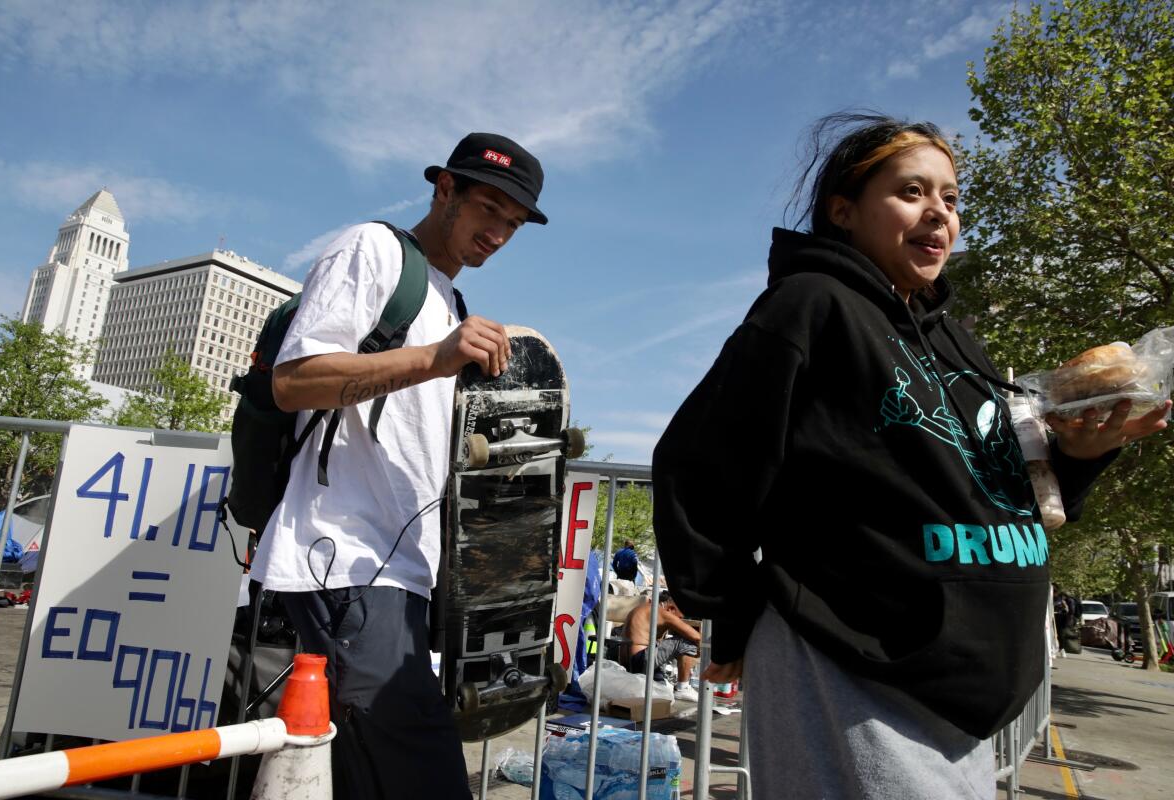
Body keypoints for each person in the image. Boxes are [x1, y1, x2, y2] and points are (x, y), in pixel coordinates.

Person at [651, 113, 1170, 799]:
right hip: (851, 666)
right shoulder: (811, 307)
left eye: (951, 199)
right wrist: (736, 616)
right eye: (912, 192)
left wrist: (1079, 455)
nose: (939, 214)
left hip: (959, 696)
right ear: (844, 211)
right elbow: (697, 466)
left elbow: (1006, 498)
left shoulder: (961, 344)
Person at [248, 132, 548, 800]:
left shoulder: (449, 302)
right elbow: (294, 383)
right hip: (346, 556)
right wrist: (434, 360)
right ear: (445, 189)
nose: (499, 232)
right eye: (488, 208)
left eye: (514, 222)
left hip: (406, 571)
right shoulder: (376, 250)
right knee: (423, 768)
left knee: (366, 770)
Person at [623, 591, 701, 701]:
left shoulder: (644, 609)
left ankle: (663, 680)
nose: (679, 620)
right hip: (640, 659)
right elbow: (697, 637)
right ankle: (682, 688)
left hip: (629, 662)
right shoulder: (661, 612)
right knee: (687, 642)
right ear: (671, 608)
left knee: (662, 694)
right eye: (679, 617)